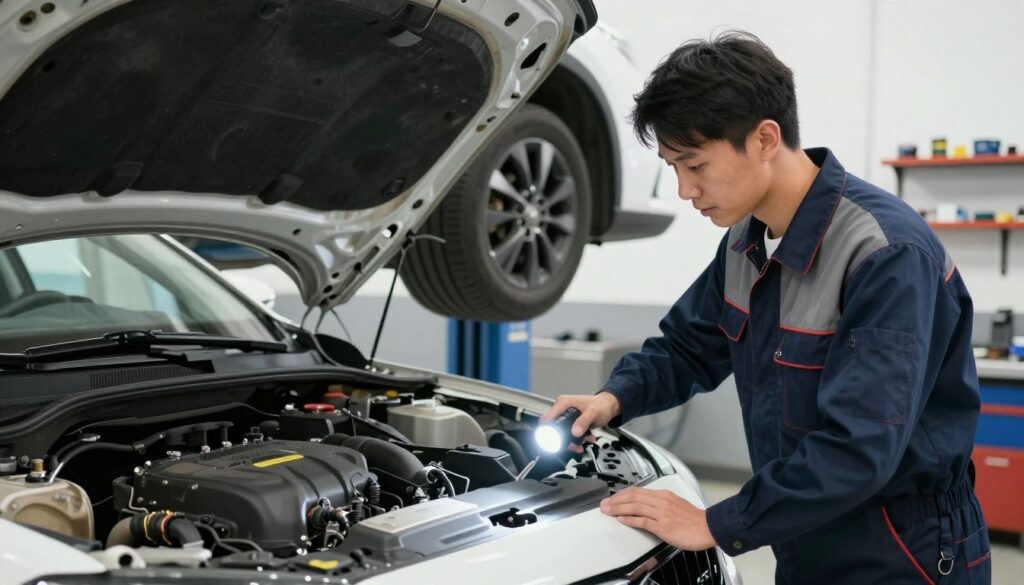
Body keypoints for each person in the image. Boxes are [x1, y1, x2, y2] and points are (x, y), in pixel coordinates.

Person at [540, 31, 989, 584]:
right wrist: (614, 397)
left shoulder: (883, 254)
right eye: (672, 167)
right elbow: (688, 347)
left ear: (765, 139)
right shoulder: (746, 243)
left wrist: (719, 522)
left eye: (694, 164)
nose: (684, 190)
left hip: (902, 552)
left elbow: (860, 446)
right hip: (802, 537)